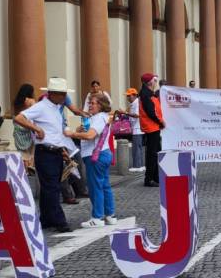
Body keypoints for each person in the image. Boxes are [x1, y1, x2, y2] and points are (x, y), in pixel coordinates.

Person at [14, 77, 77, 233]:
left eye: (64, 94)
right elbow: (19, 118)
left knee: (48, 188)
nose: (64, 97)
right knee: (52, 187)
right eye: (62, 94)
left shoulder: (56, 108)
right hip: (45, 152)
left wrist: (62, 149)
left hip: (55, 151)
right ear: (52, 94)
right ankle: (59, 220)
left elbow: (54, 131)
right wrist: (36, 129)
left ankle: (46, 219)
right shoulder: (41, 107)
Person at [65, 93, 117, 228]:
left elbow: (90, 135)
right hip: (103, 154)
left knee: (95, 187)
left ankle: (97, 217)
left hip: (95, 156)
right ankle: (110, 215)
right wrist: (79, 131)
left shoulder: (99, 118)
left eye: (92, 103)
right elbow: (90, 134)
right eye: (90, 103)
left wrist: (73, 133)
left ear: (100, 105)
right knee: (104, 185)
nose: (90, 105)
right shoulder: (101, 117)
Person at [139, 73, 165, 187]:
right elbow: (151, 112)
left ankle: (155, 177)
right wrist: (161, 121)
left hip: (153, 127)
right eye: (154, 80)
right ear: (149, 82)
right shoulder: (146, 95)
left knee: (155, 153)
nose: (155, 82)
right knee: (152, 154)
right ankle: (149, 179)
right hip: (151, 127)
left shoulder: (149, 94)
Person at [116, 88, 145, 172]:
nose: (128, 98)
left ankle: (137, 166)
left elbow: (136, 115)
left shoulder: (136, 103)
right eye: (127, 96)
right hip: (136, 128)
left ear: (135, 95)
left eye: (129, 96)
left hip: (137, 128)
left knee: (136, 148)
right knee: (138, 148)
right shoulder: (133, 103)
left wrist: (125, 113)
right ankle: (140, 165)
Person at [12, 84, 37, 169]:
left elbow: (15, 115)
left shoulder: (15, 101)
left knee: (22, 152)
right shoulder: (31, 101)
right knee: (31, 152)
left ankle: (24, 170)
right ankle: (30, 169)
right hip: (28, 127)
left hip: (18, 127)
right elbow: (35, 115)